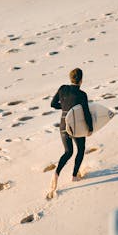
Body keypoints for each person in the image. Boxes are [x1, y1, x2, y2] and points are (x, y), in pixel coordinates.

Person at [46, 68, 93, 199]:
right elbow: (86, 113)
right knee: (81, 149)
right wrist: (90, 128)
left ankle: (56, 173)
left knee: (68, 152)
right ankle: (74, 176)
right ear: (81, 80)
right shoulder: (82, 95)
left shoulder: (62, 89)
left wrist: (66, 107)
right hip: (76, 126)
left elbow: (53, 104)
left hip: (63, 125)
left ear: (70, 78)